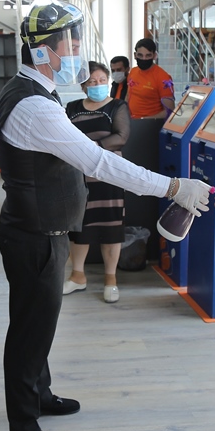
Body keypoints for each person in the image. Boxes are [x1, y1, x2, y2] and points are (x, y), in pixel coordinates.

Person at [0, 0, 211, 431]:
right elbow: (98, 161)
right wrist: (173, 186)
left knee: (39, 323)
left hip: (41, 229)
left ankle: (40, 394)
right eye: (69, 43)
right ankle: (24, 428)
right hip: (33, 234)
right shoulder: (35, 106)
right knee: (30, 330)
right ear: (42, 51)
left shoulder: (36, 92)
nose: (77, 51)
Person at [62, 61, 130, 303]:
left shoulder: (117, 106)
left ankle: (110, 280)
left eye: (102, 80)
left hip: (109, 175)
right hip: (78, 175)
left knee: (111, 227)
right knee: (79, 226)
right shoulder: (72, 108)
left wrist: (92, 147)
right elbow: (64, 136)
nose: (98, 85)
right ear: (83, 85)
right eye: (92, 81)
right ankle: (77, 276)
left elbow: (121, 137)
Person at [126, 38, 175, 119]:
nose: (144, 59)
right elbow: (129, 95)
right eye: (140, 55)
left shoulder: (164, 78)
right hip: (130, 121)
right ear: (135, 55)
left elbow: (169, 110)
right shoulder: (133, 71)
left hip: (150, 123)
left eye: (148, 55)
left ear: (154, 56)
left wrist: (145, 120)